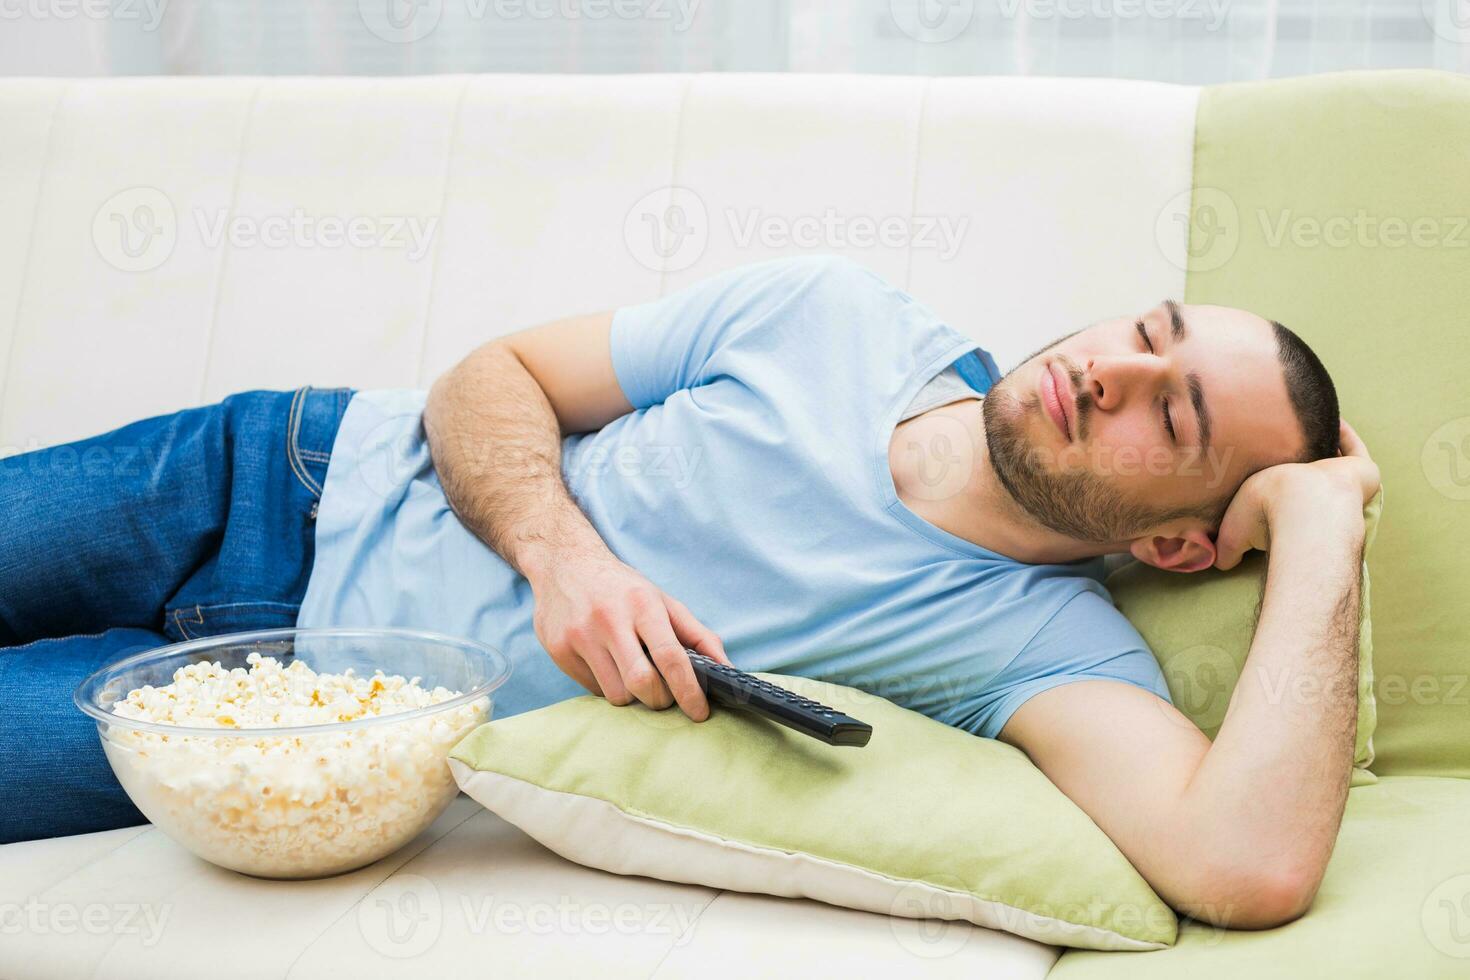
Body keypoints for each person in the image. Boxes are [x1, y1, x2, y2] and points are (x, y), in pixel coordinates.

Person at [0, 256, 1377, 929]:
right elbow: (494, 376)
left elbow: (1241, 867)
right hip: (267, 472)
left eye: (1176, 420)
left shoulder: (1033, 648)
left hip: (303, 722)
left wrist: (1319, 529)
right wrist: (567, 557)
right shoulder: (831, 313)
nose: (1112, 372)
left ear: (1189, 548)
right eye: (1147, 335)